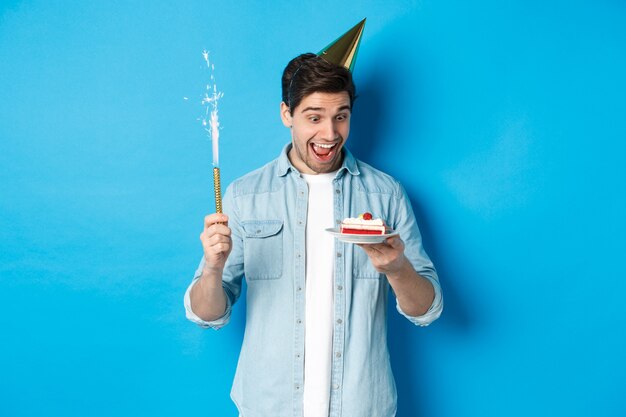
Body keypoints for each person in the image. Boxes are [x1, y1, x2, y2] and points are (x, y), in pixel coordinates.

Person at [184, 21, 443, 417]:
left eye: (341, 116)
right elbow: (208, 316)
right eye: (314, 116)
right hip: (268, 406)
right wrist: (213, 269)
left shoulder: (385, 194)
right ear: (287, 114)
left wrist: (397, 267)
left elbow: (428, 309)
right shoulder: (244, 195)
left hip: (361, 406)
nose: (329, 133)